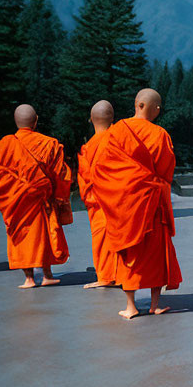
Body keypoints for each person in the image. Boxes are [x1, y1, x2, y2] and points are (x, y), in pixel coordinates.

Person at [90, 89, 182, 319]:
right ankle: (154, 304)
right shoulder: (160, 134)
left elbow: (102, 169)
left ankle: (130, 306)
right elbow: (165, 171)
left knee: (129, 252)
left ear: (136, 104)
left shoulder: (117, 131)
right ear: (154, 108)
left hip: (126, 205)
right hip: (152, 204)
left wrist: (120, 192)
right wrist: (150, 182)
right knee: (155, 254)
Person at [0, 105, 72, 288]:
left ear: (16, 121)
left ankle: (28, 278)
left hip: (16, 202)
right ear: (35, 121)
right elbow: (61, 175)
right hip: (42, 200)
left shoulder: (2, 147)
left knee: (22, 234)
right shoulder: (49, 144)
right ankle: (47, 274)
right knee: (44, 234)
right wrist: (59, 199)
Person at [76, 100, 119, 289]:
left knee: (101, 237)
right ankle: (122, 274)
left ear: (90, 120)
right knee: (119, 235)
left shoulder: (89, 147)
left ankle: (105, 275)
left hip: (97, 201)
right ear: (113, 119)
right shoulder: (120, 140)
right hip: (119, 200)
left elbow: (85, 177)